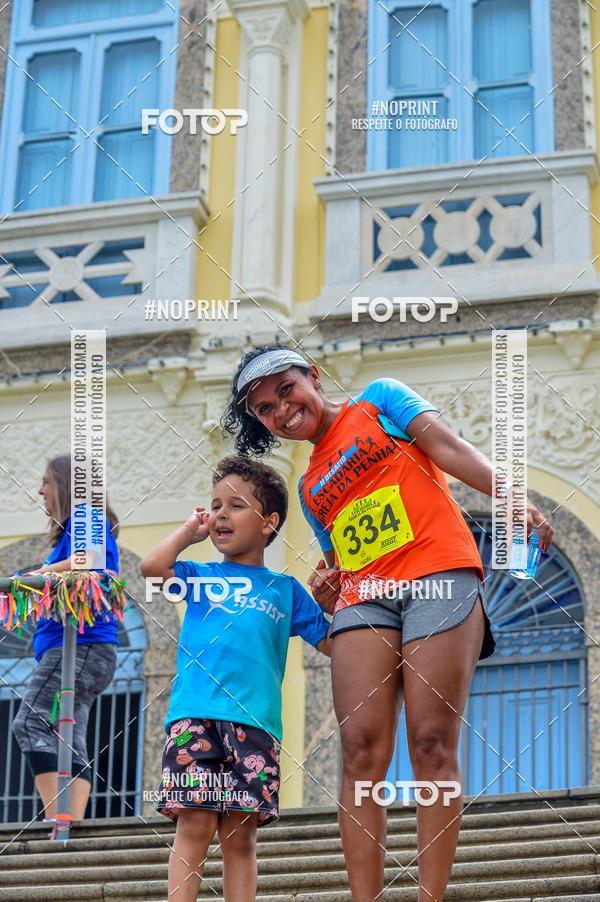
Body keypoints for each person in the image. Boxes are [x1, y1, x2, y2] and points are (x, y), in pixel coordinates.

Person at [221, 344, 554, 902]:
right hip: (366, 598)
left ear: (313, 377)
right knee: (360, 752)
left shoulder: (380, 400)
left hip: (437, 576)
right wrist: (327, 589)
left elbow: (449, 448)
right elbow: (340, 559)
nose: (282, 410)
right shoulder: (307, 487)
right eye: (264, 409)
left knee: (431, 741)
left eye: (286, 390)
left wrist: (512, 497)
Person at [140, 454, 331, 902]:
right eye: (215, 506)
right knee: (194, 822)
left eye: (236, 506)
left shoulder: (286, 590)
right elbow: (151, 568)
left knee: (240, 835)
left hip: (257, 726)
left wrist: (333, 602)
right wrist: (188, 533)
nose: (221, 515)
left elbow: (332, 643)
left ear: (269, 523)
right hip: (195, 717)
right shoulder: (198, 576)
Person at [11, 453, 120, 828]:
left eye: (46, 481)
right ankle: (70, 822)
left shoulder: (86, 518)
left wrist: (35, 575)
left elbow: (88, 560)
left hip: (79, 647)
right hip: (84, 650)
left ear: (65, 484)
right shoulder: (79, 526)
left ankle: (57, 817)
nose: (40, 490)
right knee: (69, 735)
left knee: (29, 722)